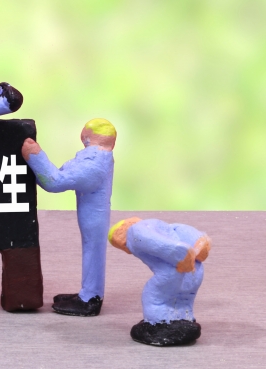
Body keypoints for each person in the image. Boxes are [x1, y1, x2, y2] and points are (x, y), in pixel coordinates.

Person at [21, 118, 116, 316]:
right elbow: (57, 175)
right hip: (91, 214)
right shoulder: (91, 157)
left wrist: (35, 156)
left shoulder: (95, 162)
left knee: (93, 249)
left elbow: (55, 182)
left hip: (94, 217)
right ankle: (88, 292)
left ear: (87, 135)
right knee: (92, 249)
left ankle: (90, 298)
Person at [109, 217, 211, 346]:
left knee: (154, 298)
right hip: (195, 270)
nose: (126, 250)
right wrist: (199, 245)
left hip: (174, 268)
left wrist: (179, 253)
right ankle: (184, 318)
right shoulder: (165, 226)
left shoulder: (135, 231)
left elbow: (149, 239)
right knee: (184, 298)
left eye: (122, 246)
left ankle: (158, 323)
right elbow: (188, 233)